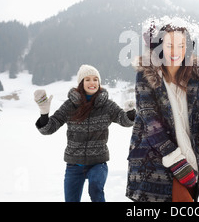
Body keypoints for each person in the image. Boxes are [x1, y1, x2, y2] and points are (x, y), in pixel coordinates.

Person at [126, 23, 199, 202]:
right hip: (154, 161)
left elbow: (197, 117)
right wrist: (175, 160)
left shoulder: (195, 77)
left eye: (181, 45)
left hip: (189, 159)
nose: (175, 51)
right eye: (169, 45)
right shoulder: (146, 74)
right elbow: (150, 122)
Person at [34, 64, 135, 202]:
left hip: (98, 162)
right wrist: (44, 113)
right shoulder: (70, 105)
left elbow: (125, 121)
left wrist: (130, 113)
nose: (92, 83)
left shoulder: (107, 105)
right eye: (87, 79)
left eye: (95, 79)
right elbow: (49, 128)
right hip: (74, 164)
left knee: (95, 189)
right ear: (81, 83)